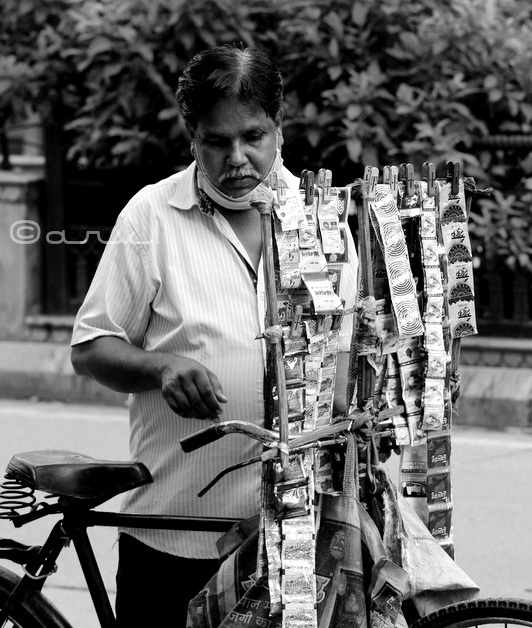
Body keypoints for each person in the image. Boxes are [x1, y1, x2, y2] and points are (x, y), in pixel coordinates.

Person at [70, 44, 357, 627]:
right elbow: (91, 347)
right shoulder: (151, 216)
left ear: (279, 127)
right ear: (192, 138)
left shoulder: (321, 218)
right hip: (173, 539)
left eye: (253, 137)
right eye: (217, 142)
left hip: (290, 537)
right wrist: (162, 367)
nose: (238, 158)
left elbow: (347, 357)